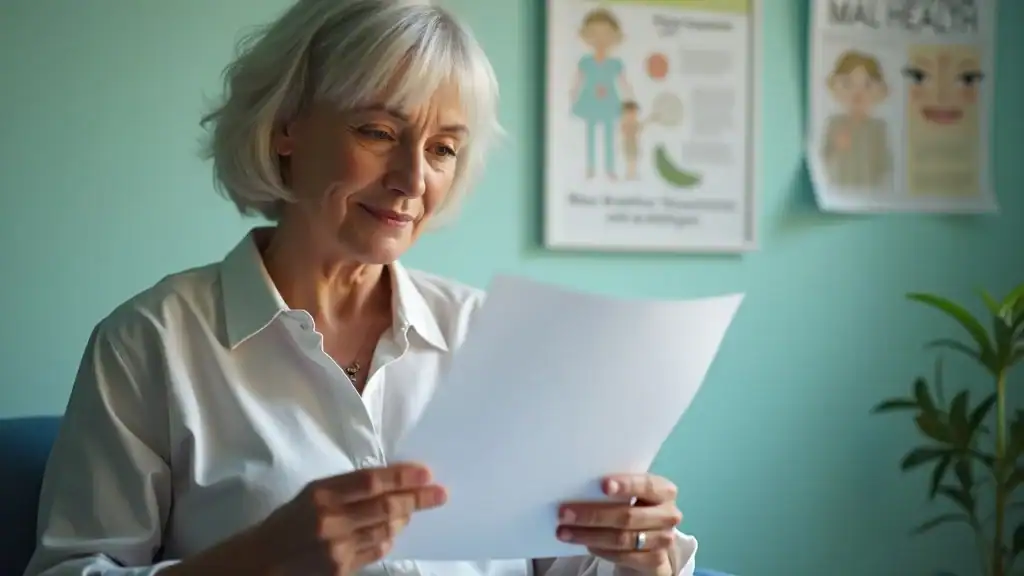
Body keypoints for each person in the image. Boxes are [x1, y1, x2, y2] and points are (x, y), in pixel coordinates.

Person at [23, 1, 697, 575]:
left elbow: (576, 563)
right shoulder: (150, 344)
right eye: (378, 131)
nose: (412, 179)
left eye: (443, 148)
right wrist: (262, 558)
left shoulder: (497, 338)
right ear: (285, 126)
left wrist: (642, 551)